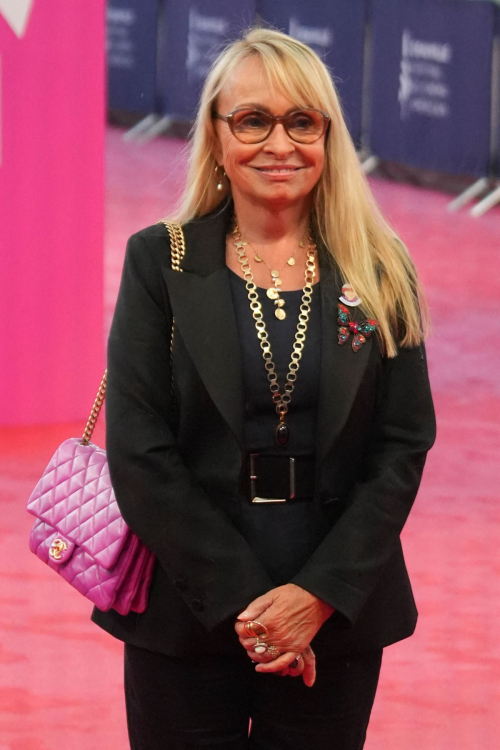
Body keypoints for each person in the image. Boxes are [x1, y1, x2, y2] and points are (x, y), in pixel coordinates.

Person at [91, 27, 436, 750]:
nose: (279, 143)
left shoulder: (381, 266)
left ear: (327, 136)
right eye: (253, 120)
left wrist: (315, 601)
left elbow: (403, 445)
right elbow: (141, 452)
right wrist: (254, 610)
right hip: (186, 607)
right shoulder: (161, 260)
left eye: (301, 121)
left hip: (336, 611)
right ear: (217, 136)